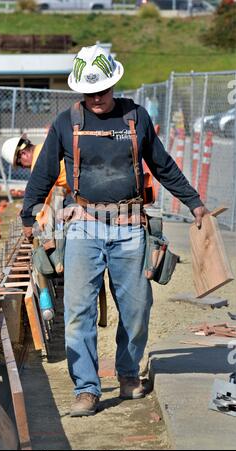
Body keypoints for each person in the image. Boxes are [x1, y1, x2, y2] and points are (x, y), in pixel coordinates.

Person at [20, 44, 208, 417]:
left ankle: (127, 373)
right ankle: (87, 389)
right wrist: (30, 215)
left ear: (114, 85)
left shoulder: (135, 118)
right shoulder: (66, 122)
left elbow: (163, 164)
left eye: (102, 91)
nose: (96, 99)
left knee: (137, 310)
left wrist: (194, 201)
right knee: (78, 312)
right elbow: (43, 172)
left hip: (129, 228)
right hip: (84, 227)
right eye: (89, 93)